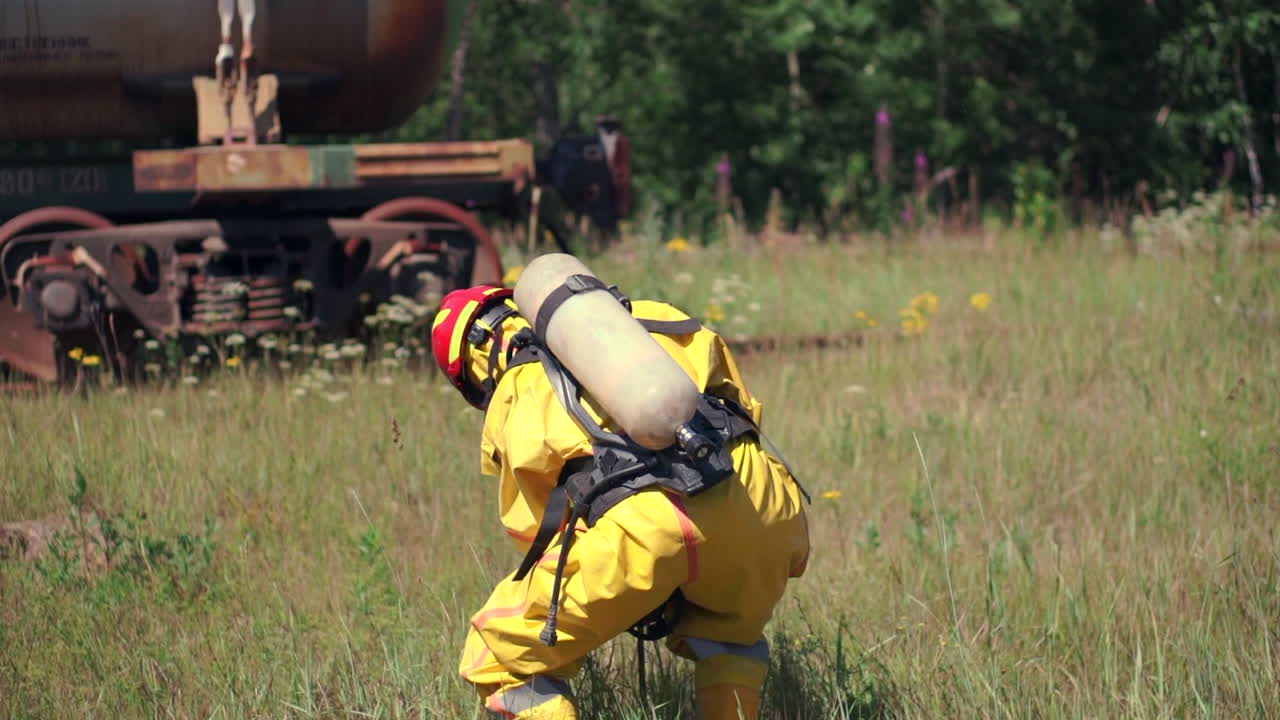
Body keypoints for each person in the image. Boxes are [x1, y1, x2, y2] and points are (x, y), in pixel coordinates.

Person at [430, 282, 810, 720]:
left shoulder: (517, 385)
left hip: (649, 531)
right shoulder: (655, 317)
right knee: (729, 637)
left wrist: (633, 577)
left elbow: (536, 527)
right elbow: (741, 405)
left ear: (474, 370)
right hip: (764, 508)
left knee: (499, 657)